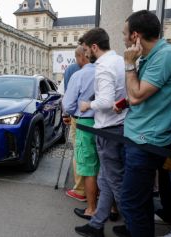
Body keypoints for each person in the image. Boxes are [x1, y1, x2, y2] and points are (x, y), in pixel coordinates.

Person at [119, 10, 171, 237]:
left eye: (124, 34)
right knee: (140, 202)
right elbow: (137, 97)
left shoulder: (166, 55)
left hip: (146, 142)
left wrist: (128, 64)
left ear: (135, 36)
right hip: (140, 138)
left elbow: (136, 95)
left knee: (131, 203)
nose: (123, 39)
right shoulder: (151, 57)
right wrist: (125, 103)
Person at [75, 28, 127, 237]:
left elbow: (105, 101)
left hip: (108, 129)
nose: (86, 54)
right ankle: (97, 224)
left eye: (87, 49)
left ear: (94, 47)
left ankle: (135, 225)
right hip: (118, 126)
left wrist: (88, 105)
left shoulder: (104, 66)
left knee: (114, 182)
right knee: (105, 180)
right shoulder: (120, 61)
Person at [62, 45, 99, 217]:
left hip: (84, 121)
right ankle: (110, 206)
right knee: (103, 163)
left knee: (86, 162)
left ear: (81, 57)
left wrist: (71, 110)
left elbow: (68, 104)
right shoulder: (104, 70)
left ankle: (89, 205)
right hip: (104, 121)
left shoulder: (79, 74)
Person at [63, 52, 85, 203]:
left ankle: (80, 189)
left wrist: (66, 114)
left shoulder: (72, 70)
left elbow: (67, 97)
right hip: (96, 118)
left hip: (77, 116)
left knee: (79, 151)